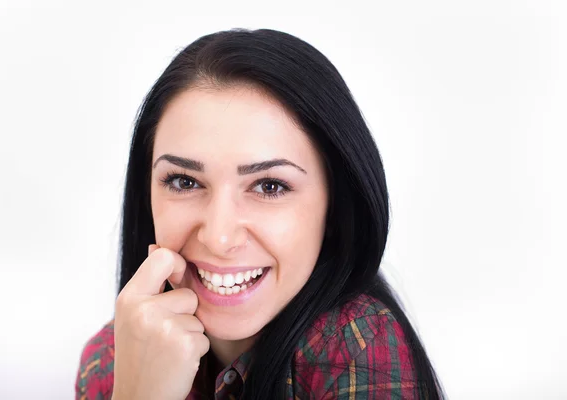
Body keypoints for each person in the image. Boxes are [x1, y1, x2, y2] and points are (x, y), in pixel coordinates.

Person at [75, 28, 446, 399]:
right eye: (185, 182)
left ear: (334, 209)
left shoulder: (358, 344)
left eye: (269, 186)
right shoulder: (112, 358)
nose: (219, 238)